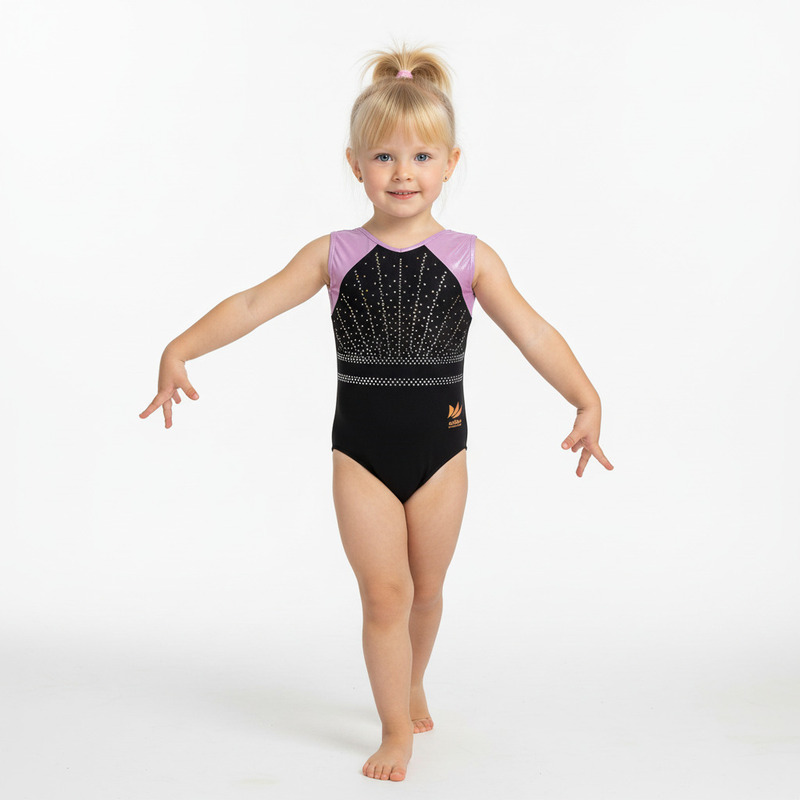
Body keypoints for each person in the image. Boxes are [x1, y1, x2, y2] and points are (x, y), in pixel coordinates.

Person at [140, 43, 614, 782]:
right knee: (385, 595)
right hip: (359, 454)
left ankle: (412, 679)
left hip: (442, 454)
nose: (403, 172)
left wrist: (585, 397)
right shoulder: (334, 253)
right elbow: (254, 303)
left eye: (421, 156)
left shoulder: (470, 257)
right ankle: (396, 727)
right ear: (356, 164)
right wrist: (181, 347)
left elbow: (534, 332)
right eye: (385, 157)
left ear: (451, 163)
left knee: (426, 592)